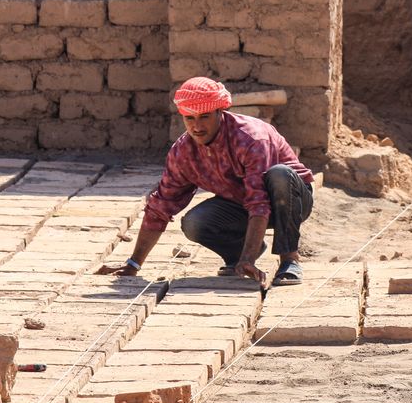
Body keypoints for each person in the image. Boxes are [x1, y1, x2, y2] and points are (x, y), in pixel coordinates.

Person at [98, 77, 314, 285]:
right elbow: (160, 207)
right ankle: (239, 255)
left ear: (221, 112)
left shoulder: (250, 139)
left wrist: (250, 259)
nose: (197, 127)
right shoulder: (183, 152)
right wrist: (133, 264)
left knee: (279, 175)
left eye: (204, 117)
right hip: (241, 203)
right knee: (195, 223)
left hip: (290, 200)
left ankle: (289, 260)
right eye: (189, 119)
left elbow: (259, 201)